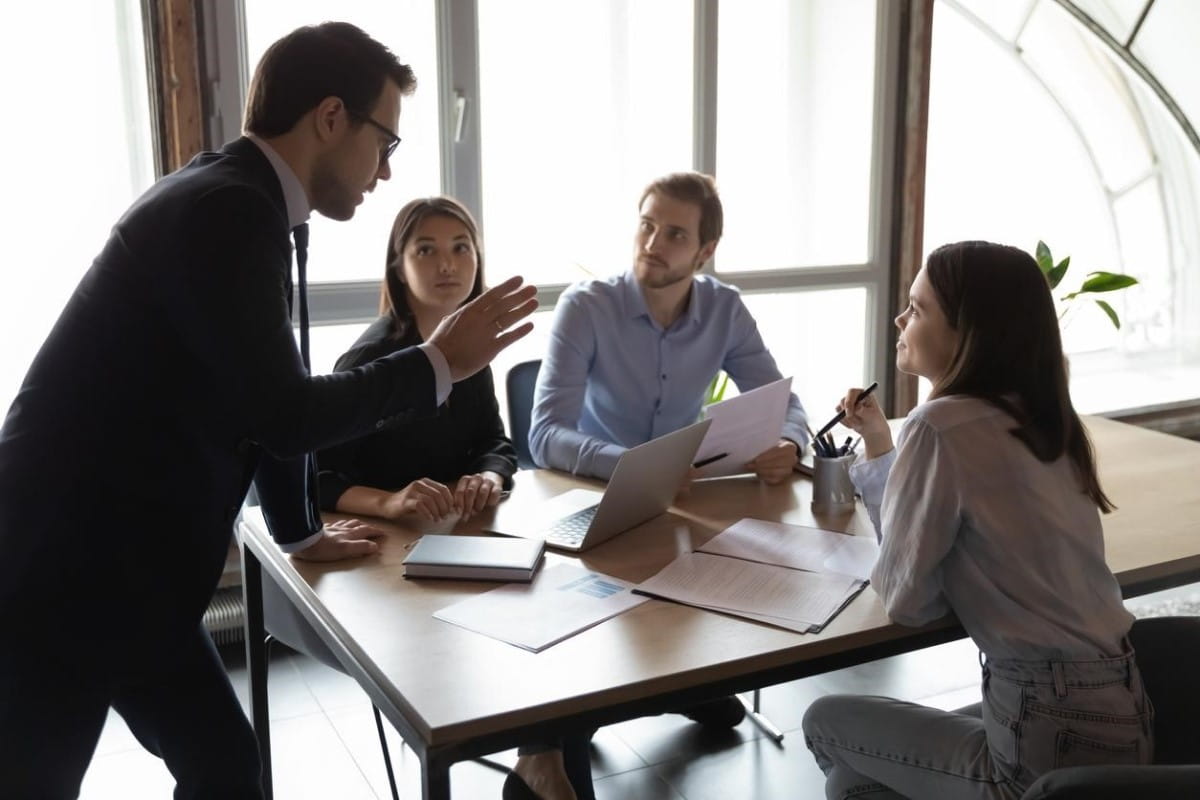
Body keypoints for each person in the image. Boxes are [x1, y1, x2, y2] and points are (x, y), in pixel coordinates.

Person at [0, 22, 535, 799]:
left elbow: (259, 394)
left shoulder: (240, 200)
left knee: (225, 767)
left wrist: (301, 530)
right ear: (329, 118)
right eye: (384, 142)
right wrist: (438, 363)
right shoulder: (228, 210)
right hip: (68, 569)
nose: (385, 173)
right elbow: (285, 413)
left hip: (129, 565)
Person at [802, 241, 1154, 799]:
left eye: (917, 309)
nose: (900, 318)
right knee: (854, 780)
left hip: (1042, 725)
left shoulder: (940, 425)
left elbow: (908, 602)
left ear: (966, 333)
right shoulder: (1040, 415)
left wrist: (934, 572)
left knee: (825, 721)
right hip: (1120, 707)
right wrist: (876, 443)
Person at [528, 171, 809, 486]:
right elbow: (545, 435)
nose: (651, 245)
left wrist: (790, 444)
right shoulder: (585, 307)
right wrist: (636, 466)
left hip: (680, 493)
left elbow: (784, 404)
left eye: (675, 235)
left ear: (705, 251)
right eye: (647, 226)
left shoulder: (724, 310)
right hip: (595, 487)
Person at [317, 196, 517, 523]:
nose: (447, 265)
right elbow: (317, 476)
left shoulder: (471, 345)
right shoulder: (369, 356)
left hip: (453, 528)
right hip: (383, 536)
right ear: (399, 268)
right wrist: (388, 502)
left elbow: (493, 441)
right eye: (426, 250)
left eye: (460, 248)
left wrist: (488, 476)